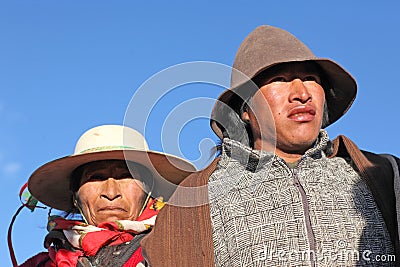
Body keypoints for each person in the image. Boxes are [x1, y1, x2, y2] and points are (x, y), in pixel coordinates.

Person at [141, 25, 400, 266]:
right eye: (279, 79)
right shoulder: (195, 200)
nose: (301, 92)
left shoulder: (380, 176)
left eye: (310, 78)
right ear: (245, 108)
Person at [17, 124, 196, 266]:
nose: (111, 193)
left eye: (126, 176)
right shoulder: (43, 263)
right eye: (96, 177)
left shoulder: (184, 250)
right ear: (75, 196)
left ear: (148, 193)